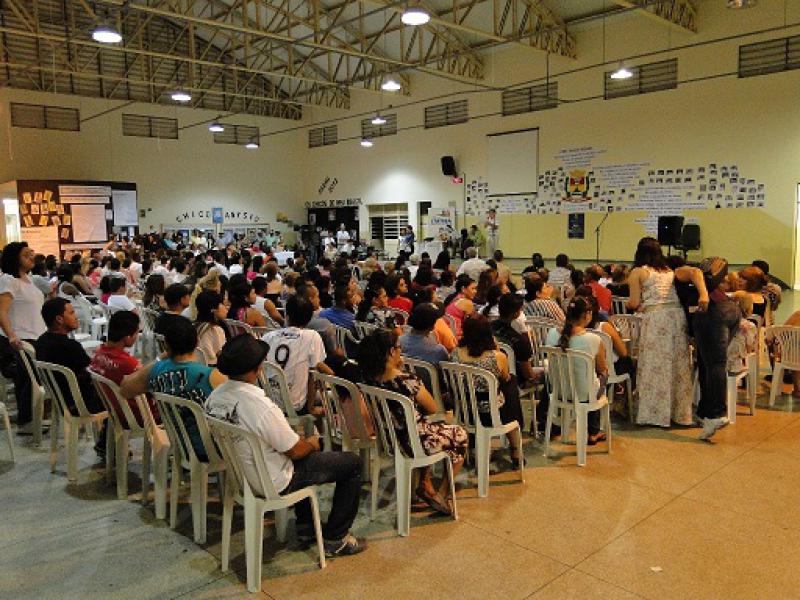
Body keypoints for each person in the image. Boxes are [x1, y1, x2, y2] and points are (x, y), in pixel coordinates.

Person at [205, 334, 366, 557]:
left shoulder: (214, 397)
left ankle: (306, 527)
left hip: (242, 476)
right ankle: (336, 538)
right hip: (273, 480)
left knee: (303, 455)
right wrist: (313, 443)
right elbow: (296, 451)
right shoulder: (259, 405)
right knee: (352, 463)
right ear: (257, 368)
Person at [358, 329, 466, 515]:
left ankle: (425, 483)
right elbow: (432, 407)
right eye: (399, 348)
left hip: (390, 441)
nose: (401, 351)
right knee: (459, 435)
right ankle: (442, 494)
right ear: (391, 352)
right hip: (414, 443)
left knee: (430, 430)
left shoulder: (368, 380)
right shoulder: (407, 380)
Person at [626, 237, 709, 427]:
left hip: (656, 319)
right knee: (678, 364)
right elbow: (695, 272)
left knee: (655, 364)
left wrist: (632, 305)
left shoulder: (638, 272)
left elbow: (634, 302)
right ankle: (679, 413)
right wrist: (703, 294)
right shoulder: (669, 271)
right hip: (676, 317)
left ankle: (654, 414)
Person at [121, 317, 226, 461]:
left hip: (178, 443)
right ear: (197, 343)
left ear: (166, 345)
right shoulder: (213, 376)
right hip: (210, 449)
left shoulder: (157, 371)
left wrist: (160, 359)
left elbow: (125, 389)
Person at [35, 298, 106, 452]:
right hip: (79, 403)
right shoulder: (69, 347)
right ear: (59, 319)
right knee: (119, 396)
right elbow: (93, 371)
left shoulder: (41, 342)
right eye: (72, 313)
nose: (76, 316)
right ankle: (107, 443)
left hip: (59, 400)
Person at [450, 315, 523, 458]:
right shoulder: (497, 357)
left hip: (465, 410)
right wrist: (496, 347)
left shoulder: (454, 354)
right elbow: (505, 378)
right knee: (510, 384)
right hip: (490, 414)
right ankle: (515, 448)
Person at [545, 296, 608, 445]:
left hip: (558, 391)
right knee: (604, 376)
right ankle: (593, 431)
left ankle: (559, 424)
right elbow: (602, 369)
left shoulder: (552, 333)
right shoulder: (593, 339)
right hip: (583, 395)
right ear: (587, 315)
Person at [0, 242, 46, 434]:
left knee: (32, 379)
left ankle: (32, 417)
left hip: (37, 334)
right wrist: (12, 335)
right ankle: (26, 421)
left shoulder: (28, 279)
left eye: (31, 253)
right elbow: (2, 312)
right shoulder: (8, 280)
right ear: (15, 259)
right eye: (26, 255)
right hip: (22, 337)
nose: (31, 257)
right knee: (29, 379)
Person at [694, 257, 740, 440]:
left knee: (714, 364)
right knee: (706, 362)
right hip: (729, 310)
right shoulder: (714, 286)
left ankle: (716, 414)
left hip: (713, 314)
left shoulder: (687, 274)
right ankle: (705, 412)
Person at [262, 294, 331, 414]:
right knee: (331, 397)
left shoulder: (268, 337)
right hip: (296, 406)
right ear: (310, 318)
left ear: (286, 316)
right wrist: (311, 408)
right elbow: (313, 376)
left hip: (269, 402)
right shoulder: (312, 336)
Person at [90, 310, 157, 426]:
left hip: (114, 411)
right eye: (136, 333)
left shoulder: (98, 354)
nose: (137, 337)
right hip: (139, 417)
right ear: (127, 338)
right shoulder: (129, 364)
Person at [194, 291, 230, 366]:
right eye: (222, 304)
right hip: (212, 368)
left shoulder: (195, 326)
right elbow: (222, 356)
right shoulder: (215, 330)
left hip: (196, 366)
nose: (226, 307)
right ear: (213, 309)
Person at [444, 275, 477, 339]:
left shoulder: (456, 298)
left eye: (476, 288)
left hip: (447, 332)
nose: (475, 291)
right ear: (463, 289)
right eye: (473, 288)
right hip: (454, 335)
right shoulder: (467, 303)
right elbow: (470, 325)